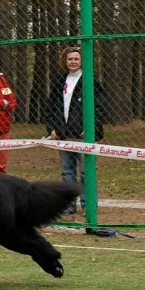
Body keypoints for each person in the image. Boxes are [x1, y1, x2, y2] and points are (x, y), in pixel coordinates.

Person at [45, 46, 104, 215]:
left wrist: (91, 128)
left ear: (82, 60)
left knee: (86, 172)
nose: (72, 62)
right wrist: (52, 128)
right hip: (64, 134)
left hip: (82, 135)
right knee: (67, 172)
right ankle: (69, 205)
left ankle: (88, 205)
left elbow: (99, 107)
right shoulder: (60, 81)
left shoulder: (90, 79)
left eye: (76, 59)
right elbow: (51, 107)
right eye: (69, 59)